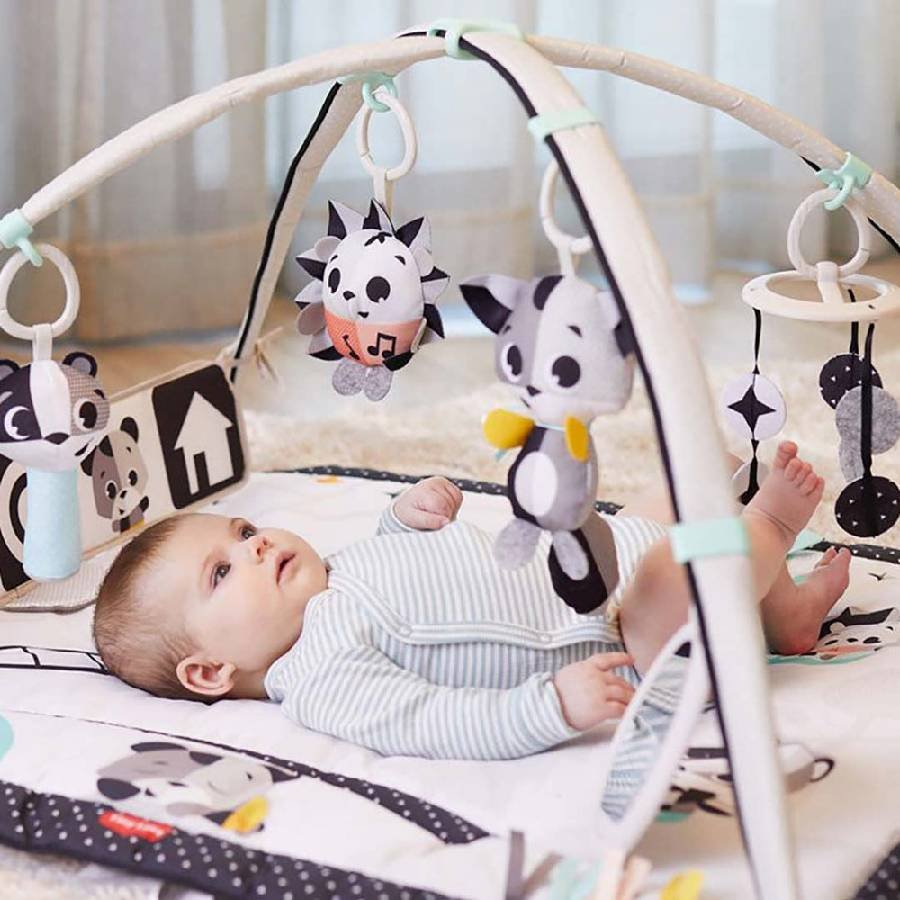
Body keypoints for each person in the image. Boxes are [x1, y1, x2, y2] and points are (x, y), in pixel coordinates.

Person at [93, 441, 850, 760]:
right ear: (210, 672)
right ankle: (773, 526)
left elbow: (402, 559)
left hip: (597, 558)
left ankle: (785, 613)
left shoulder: (335, 571)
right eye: (221, 573)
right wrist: (549, 709)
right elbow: (434, 721)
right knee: (681, 565)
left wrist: (405, 516)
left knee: (673, 489)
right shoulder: (318, 677)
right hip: (628, 639)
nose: (255, 545)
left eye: (244, 530)